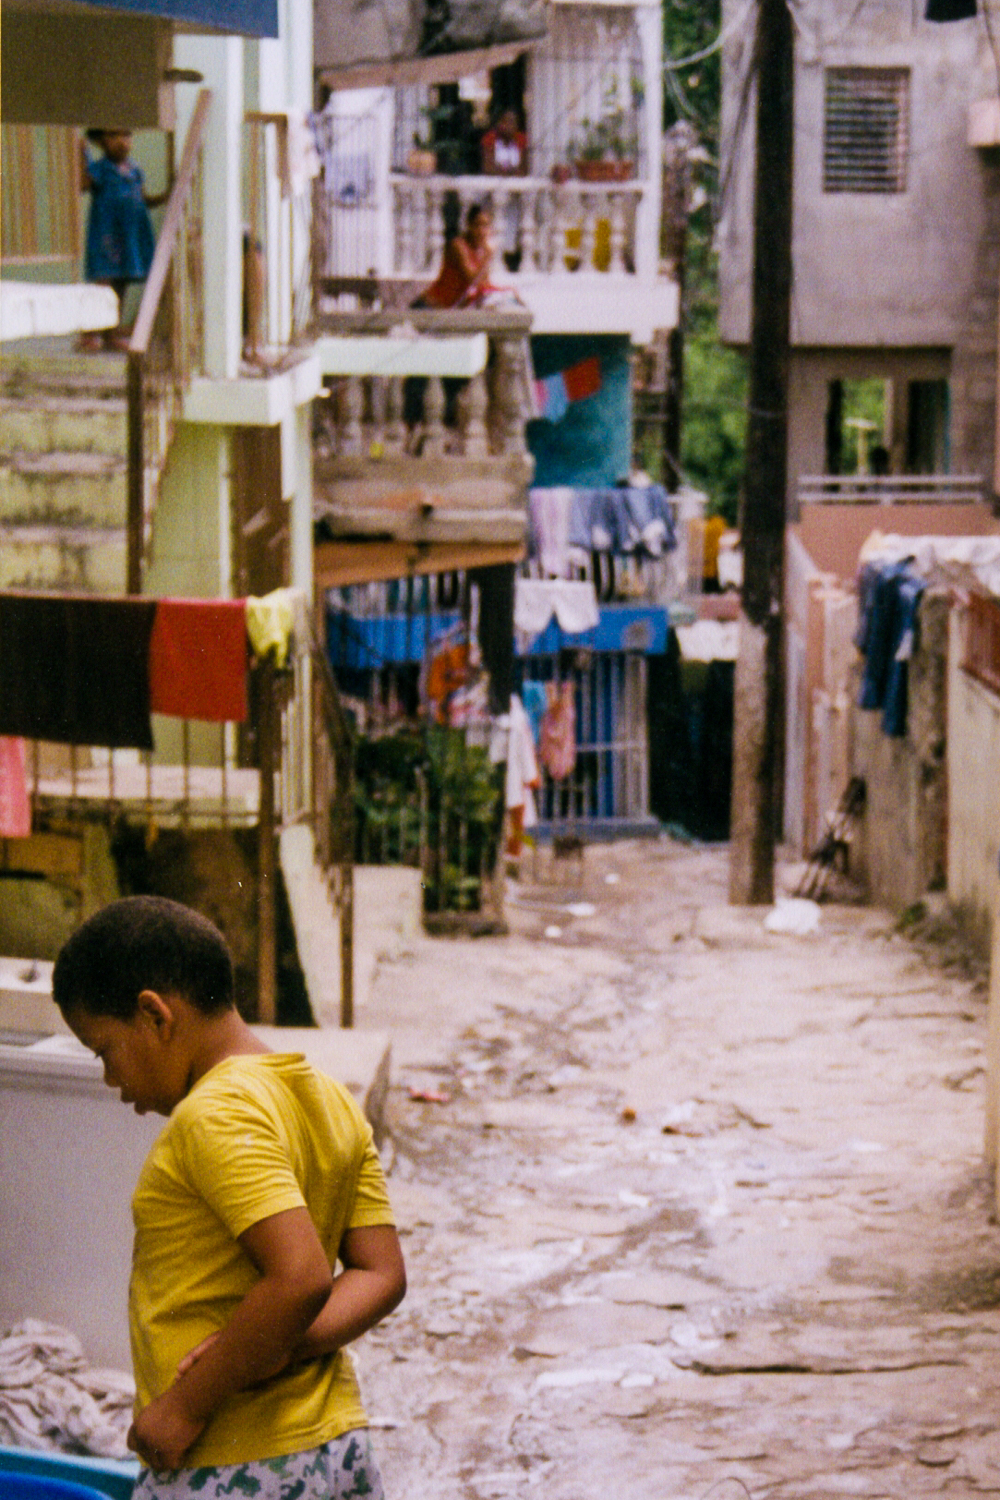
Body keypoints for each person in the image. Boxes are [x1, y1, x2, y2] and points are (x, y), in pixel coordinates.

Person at [52, 895, 406, 1497]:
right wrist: (277, 1347)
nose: (111, 1082)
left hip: (232, 1461)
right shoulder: (326, 1098)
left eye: (104, 1051)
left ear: (155, 1015)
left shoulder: (214, 1113)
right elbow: (382, 1274)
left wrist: (187, 1404)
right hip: (333, 1446)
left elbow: (299, 1277)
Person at [80, 129, 166, 349]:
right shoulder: (99, 169)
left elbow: (144, 199)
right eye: (113, 136)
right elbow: (83, 185)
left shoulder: (135, 170)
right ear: (101, 141)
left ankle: (111, 334)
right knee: (104, 283)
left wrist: (165, 196)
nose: (122, 142)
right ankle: (90, 333)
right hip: (107, 236)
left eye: (126, 135)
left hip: (130, 235)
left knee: (121, 284)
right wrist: (81, 154)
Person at [414, 201, 494, 309]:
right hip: (428, 307)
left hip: (448, 310)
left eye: (485, 226)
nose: (481, 231)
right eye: (477, 225)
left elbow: (484, 285)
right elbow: (472, 280)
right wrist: (487, 257)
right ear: (469, 225)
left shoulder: (480, 252)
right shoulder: (459, 246)